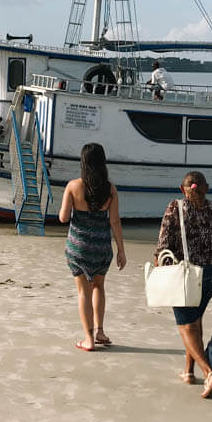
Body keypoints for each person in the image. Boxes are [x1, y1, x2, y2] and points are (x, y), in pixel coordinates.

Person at [153, 171, 212, 399]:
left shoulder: (174, 208)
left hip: (184, 275)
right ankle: (188, 372)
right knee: (195, 321)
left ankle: (209, 373)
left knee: (186, 327)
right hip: (210, 274)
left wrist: (159, 266)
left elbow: (163, 244)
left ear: (182, 189)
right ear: (206, 187)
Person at [59, 143, 126, 352]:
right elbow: (115, 221)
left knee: (83, 292)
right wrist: (121, 250)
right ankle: (100, 331)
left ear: (83, 162)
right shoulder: (110, 189)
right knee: (98, 287)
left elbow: (63, 218)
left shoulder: (73, 186)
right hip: (101, 246)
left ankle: (88, 339)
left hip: (78, 247)